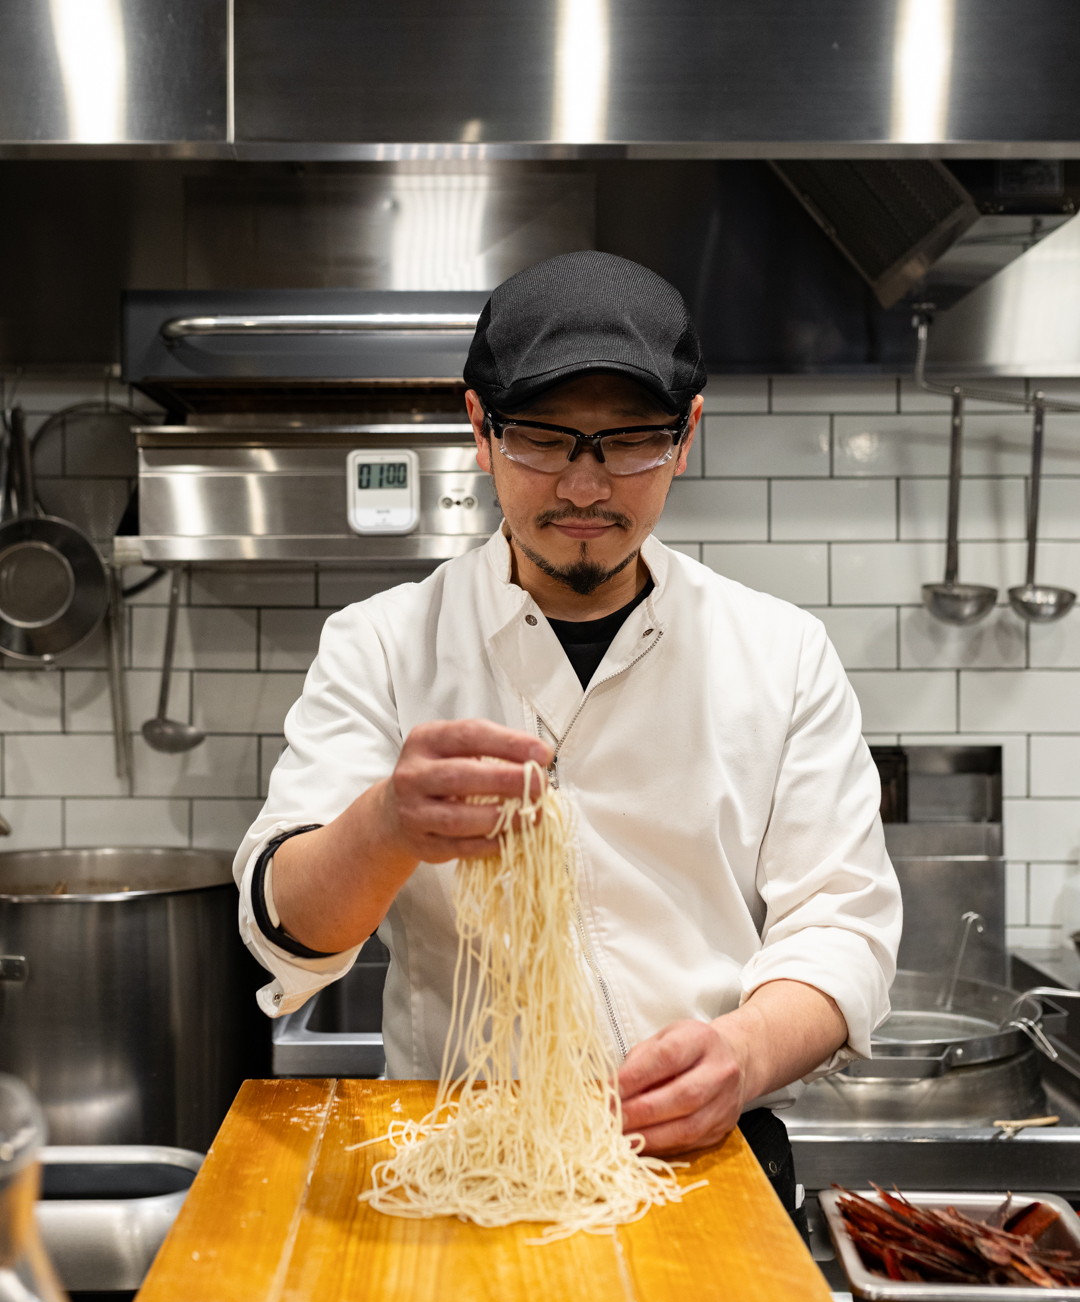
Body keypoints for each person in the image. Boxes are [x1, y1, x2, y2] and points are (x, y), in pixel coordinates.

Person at [234, 251, 902, 1233]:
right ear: (479, 430)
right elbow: (280, 923)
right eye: (546, 440)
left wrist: (745, 1055)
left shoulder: (780, 654)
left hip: (708, 1154)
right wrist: (384, 826)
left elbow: (843, 925)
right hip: (461, 1154)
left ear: (687, 439)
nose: (586, 486)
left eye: (630, 442)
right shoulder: (383, 645)